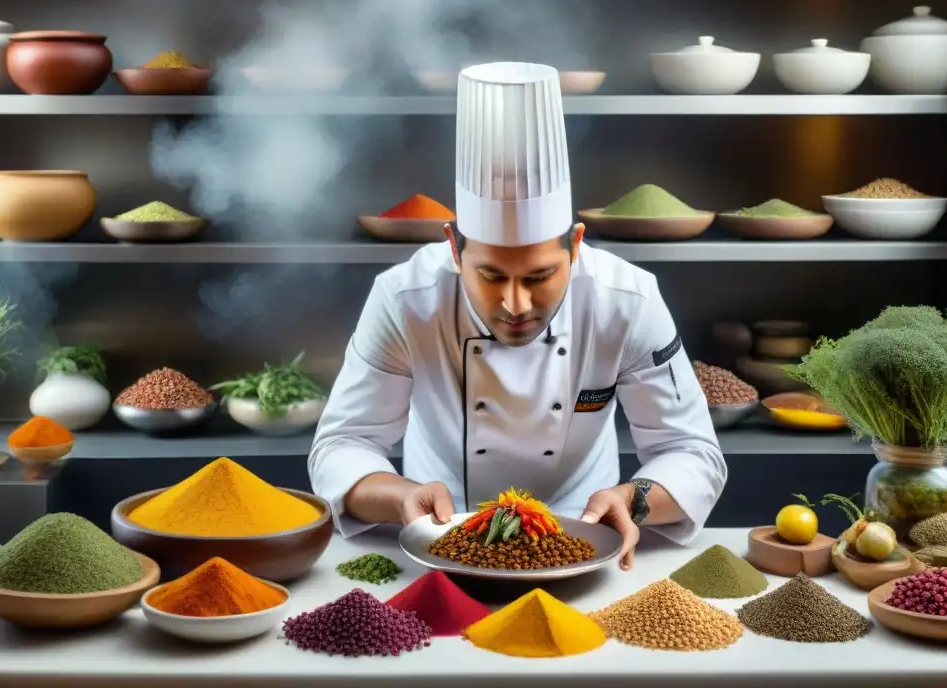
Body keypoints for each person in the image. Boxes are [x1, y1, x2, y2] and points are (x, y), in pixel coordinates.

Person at [308, 61, 726, 569]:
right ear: (454, 249)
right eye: (490, 277)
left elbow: (692, 452)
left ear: (574, 246)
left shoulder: (627, 301)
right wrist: (399, 496)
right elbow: (342, 444)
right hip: (442, 543)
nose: (516, 304)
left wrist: (633, 500)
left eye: (538, 277)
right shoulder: (405, 299)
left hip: (585, 542)